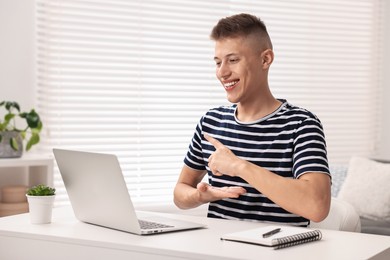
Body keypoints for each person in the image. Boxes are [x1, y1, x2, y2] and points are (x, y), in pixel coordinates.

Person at [173, 13, 331, 226]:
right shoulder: (210, 121)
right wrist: (200, 196)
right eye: (218, 62)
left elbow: (317, 206)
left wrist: (238, 166)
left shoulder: (302, 124)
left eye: (233, 60)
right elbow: (180, 192)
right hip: (217, 249)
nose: (222, 72)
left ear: (265, 59)